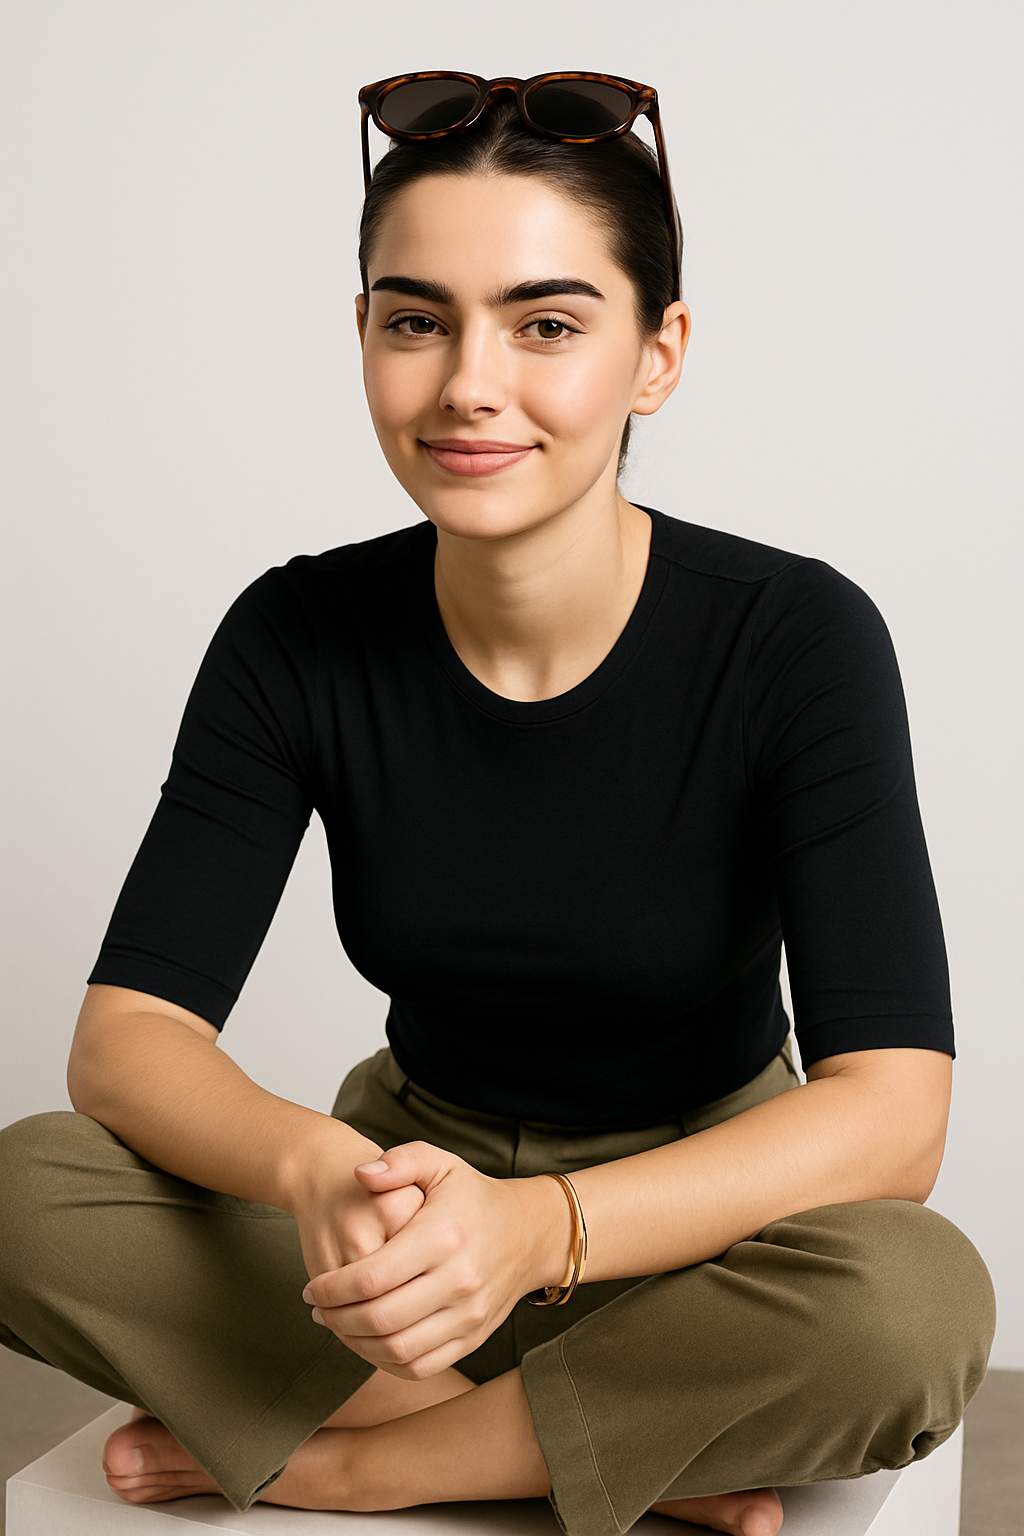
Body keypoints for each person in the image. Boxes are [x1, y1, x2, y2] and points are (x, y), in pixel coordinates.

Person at [0, 72, 996, 1536]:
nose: (470, 382)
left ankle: (371, 1458)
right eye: (417, 320)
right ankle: (634, 1448)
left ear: (656, 354)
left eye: (546, 324)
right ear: (364, 339)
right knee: (24, 1191)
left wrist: (542, 1232)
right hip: (397, 1216)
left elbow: (894, 1116)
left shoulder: (795, 636)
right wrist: (318, 1168)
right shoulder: (296, 633)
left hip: (698, 1236)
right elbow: (130, 1041)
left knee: (916, 1307)